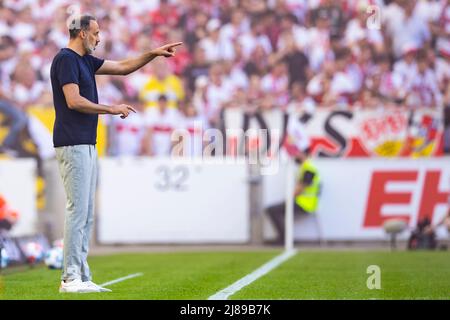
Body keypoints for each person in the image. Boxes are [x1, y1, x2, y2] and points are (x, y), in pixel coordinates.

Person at [50, 14, 181, 293]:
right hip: (72, 142)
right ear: (82, 32)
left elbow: (122, 67)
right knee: (77, 211)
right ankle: (70, 278)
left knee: (86, 213)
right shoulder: (66, 59)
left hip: (84, 142)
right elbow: (73, 101)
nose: (99, 37)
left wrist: (152, 54)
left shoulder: (85, 60)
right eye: (96, 32)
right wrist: (111, 109)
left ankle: (81, 276)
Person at [266, 115, 320, 244]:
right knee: (274, 209)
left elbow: (300, 188)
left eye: (298, 151)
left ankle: (284, 239)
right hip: (303, 202)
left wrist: (289, 198)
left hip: (305, 204)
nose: (296, 153)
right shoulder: (305, 167)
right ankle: (284, 238)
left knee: (272, 210)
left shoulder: (309, 169)